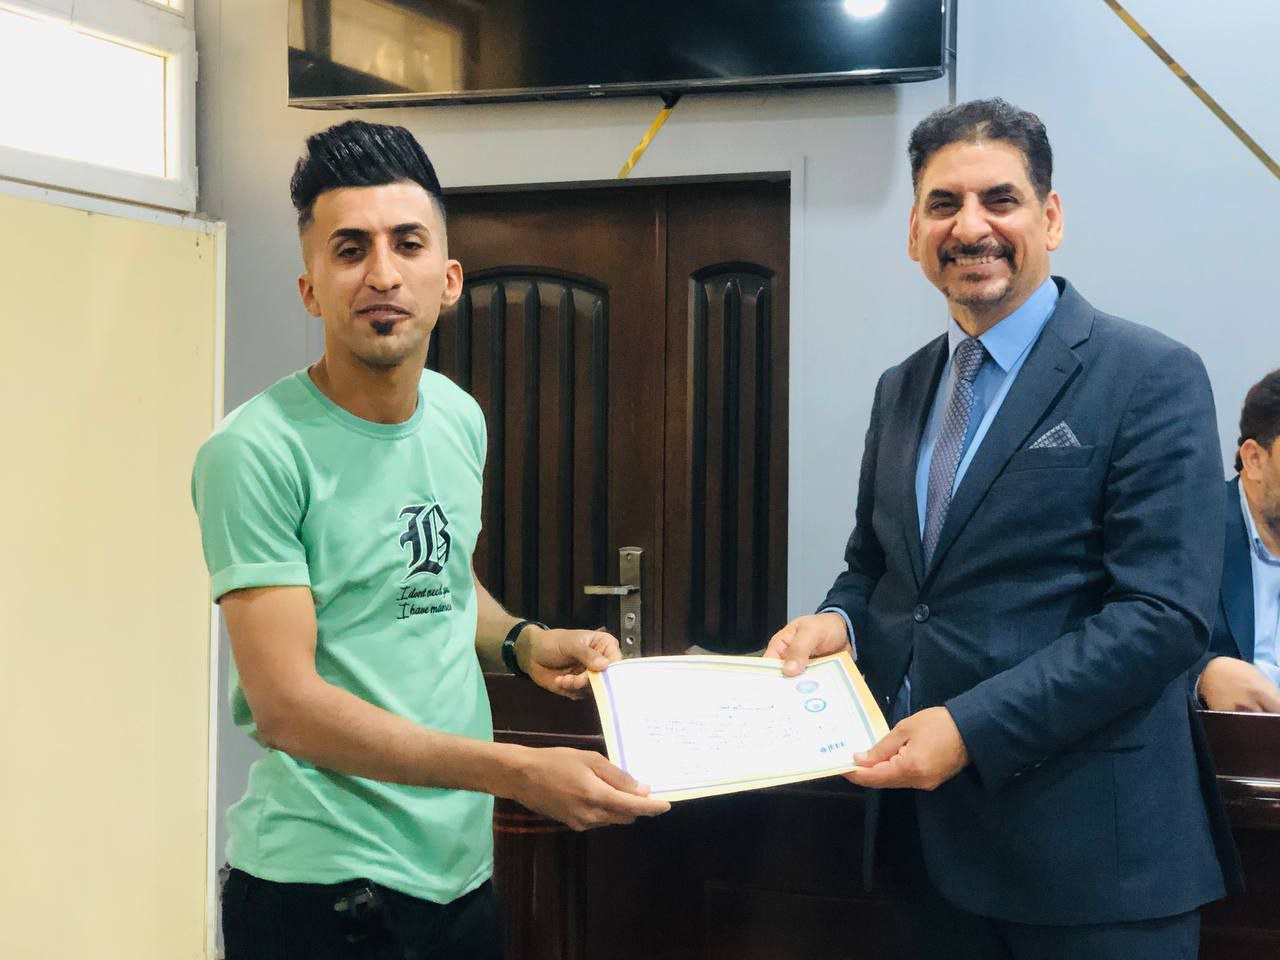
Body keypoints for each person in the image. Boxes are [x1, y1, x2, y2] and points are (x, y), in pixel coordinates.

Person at [766, 99, 1240, 959]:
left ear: (1050, 218)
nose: (970, 226)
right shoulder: (901, 388)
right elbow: (876, 570)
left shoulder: (1150, 374)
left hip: (1095, 870)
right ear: (914, 232)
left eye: (1001, 199)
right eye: (943, 204)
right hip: (925, 856)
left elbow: (1164, 617)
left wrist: (969, 729)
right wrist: (837, 622)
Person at [192, 120, 668, 960]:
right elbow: (288, 708)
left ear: (448, 280)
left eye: (406, 243)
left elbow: (440, 585)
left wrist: (523, 642)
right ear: (310, 288)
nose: (381, 273)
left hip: (458, 877)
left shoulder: (456, 416)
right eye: (349, 250)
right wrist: (519, 772)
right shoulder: (254, 451)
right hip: (322, 893)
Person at [1196, 368, 1280, 712]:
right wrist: (1202, 676)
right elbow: (1135, 648)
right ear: (1254, 459)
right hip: (1219, 740)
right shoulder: (1191, 528)